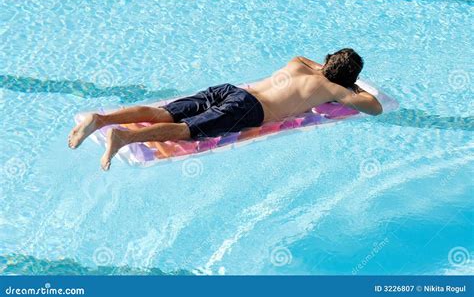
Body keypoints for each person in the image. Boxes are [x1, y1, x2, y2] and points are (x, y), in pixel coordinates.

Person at [69, 48, 382, 170]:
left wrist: (329, 66)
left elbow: (313, 62)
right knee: (187, 131)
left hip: (232, 90)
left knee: (164, 112)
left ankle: (101, 120)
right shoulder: (335, 89)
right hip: (249, 110)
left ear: (327, 62)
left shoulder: (300, 63)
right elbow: (375, 107)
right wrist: (350, 85)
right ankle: (122, 138)